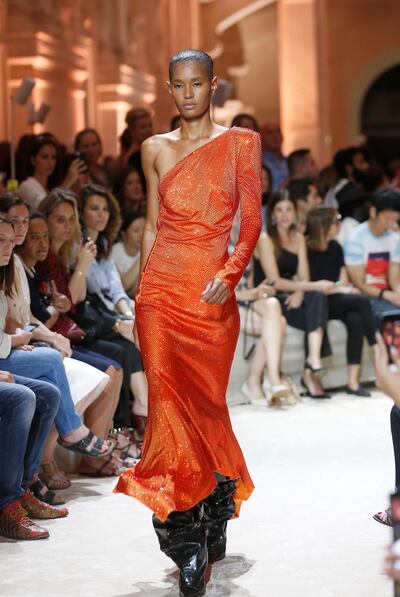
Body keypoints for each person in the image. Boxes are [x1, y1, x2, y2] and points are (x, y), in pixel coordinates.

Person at [114, 48, 262, 597]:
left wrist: (231, 271)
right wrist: (139, 296)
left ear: (213, 85)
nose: (188, 93)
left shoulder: (240, 144)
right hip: (161, 296)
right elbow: (153, 225)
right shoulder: (154, 149)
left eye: (197, 83)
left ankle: (215, 507)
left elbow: (251, 218)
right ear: (170, 89)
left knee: (206, 406)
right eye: (178, 85)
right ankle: (185, 540)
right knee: (167, 409)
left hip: (210, 297)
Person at [18, 213, 129, 478]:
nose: (66, 226)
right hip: (44, 339)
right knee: (57, 375)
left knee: (117, 363)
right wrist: (81, 268)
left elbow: (67, 305)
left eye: (71, 219)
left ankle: (104, 440)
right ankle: (46, 462)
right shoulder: (29, 266)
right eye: (34, 235)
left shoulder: (47, 263)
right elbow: (52, 310)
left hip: (55, 336)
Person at [36, 188, 146, 443]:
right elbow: (77, 301)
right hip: (72, 328)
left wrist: (127, 315)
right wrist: (83, 267)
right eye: (60, 219)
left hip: (79, 323)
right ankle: (121, 429)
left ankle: (126, 425)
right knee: (119, 354)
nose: (101, 215)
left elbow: (104, 292)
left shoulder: (89, 248)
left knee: (127, 349)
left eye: (69, 219)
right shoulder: (64, 254)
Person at [254, 192, 334, 399]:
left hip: (292, 296)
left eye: (289, 209)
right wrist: (307, 286)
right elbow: (274, 280)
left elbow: (304, 275)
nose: (284, 215)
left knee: (317, 298)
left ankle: (313, 360)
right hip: (270, 295)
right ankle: (311, 372)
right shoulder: (265, 239)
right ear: (272, 213)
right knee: (316, 297)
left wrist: (300, 290)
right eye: (279, 210)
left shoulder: (299, 238)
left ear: (295, 213)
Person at [306, 207, 376, 395]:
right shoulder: (306, 248)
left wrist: (336, 287)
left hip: (335, 298)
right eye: (336, 220)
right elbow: (310, 284)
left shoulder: (336, 246)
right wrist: (336, 287)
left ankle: (353, 382)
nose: (339, 224)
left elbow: (342, 280)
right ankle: (377, 348)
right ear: (323, 225)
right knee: (361, 301)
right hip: (317, 302)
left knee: (355, 318)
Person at [344, 187, 400, 326]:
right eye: (387, 219)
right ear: (373, 212)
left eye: (395, 220)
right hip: (363, 295)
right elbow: (360, 283)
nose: (390, 224)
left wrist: (398, 293)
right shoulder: (355, 239)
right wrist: (387, 295)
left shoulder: (395, 239)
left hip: (387, 293)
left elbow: (394, 279)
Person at [18, 134, 86, 210]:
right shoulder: (27, 185)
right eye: (45, 157)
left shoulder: (52, 187)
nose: (50, 163)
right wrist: (68, 182)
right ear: (33, 160)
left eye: (53, 158)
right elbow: (46, 209)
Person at [111, 213, 145, 297]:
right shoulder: (114, 252)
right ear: (123, 234)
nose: (141, 235)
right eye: (136, 230)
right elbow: (122, 286)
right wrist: (143, 256)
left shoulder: (148, 251)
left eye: (145, 230)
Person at [261, 122, 288, 191]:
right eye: (270, 132)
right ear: (262, 137)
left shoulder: (289, 162)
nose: (275, 135)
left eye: (278, 131)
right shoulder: (260, 163)